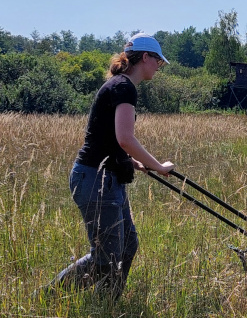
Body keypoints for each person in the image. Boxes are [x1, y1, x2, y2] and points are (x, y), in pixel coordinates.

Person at [51, 33, 176, 299]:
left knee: (128, 246)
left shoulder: (120, 85)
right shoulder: (124, 87)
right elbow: (125, 138)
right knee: (104, 260)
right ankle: (49, 296)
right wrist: (157, 167)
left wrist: (131, 161)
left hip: (107, 177)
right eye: (158, 61)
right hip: (96, 180)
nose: (158, 66)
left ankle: (108, 304)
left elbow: (108, 139)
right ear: (145, 57)